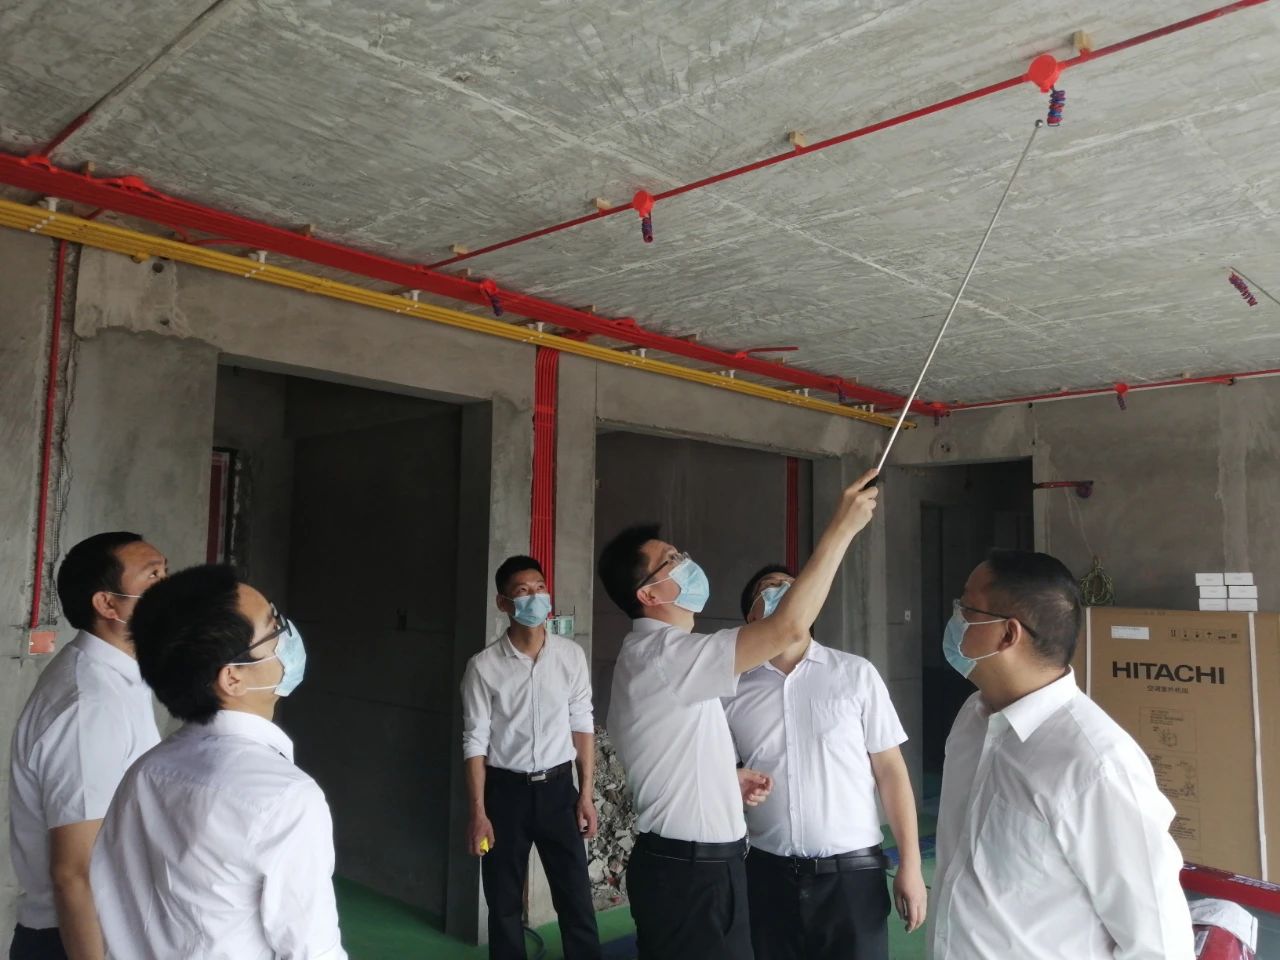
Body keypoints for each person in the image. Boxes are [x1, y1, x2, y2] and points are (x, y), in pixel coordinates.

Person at [598, 469, 879, 960]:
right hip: (688, 875)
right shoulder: (665, 656)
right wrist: (841, 529)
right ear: (649, 594)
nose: (686, 563)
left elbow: (672, 752)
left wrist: (726, 780)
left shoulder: (665, 659)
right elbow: (788, 627)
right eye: (671, 560)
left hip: (702, 867)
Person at [929, 550, 1195, 960]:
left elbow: (1159, 944)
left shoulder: (1095, 766)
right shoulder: (972, 718)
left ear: (1008, 634)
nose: (955, 619)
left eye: (966, 607)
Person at [89, 564, 348, 960]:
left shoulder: (145, 772)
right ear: (233, 679)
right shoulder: (284, 798)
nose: (288, 635)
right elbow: (313, 951)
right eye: (274, 627)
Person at [724, 564, 926, 960]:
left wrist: (911, 865)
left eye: (792, 586)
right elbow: (721, 772)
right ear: (751, 617)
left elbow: (890, 771)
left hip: (851, 877)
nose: (785, 593)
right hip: (768, 874)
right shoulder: (733, 690)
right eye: (770, 588)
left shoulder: (855, 674)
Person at [9, 532, 167, 960]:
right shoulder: (90, 706)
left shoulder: (116, 679)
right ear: (108, 604)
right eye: (153, 577)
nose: (170, 590)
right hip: (75, 939)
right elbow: (74, 873)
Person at [461, 556, 601, 960]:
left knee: (576, 897)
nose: (535, 597)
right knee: (503, 903)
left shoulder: (571, 656)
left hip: (559, 791)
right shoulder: (483, 667)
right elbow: (475, 740)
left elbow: (582, 723)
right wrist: (478, 812)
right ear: (503, 603)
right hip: (505, 795)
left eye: (540, 588)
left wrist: (586, 793)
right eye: (522, 591)